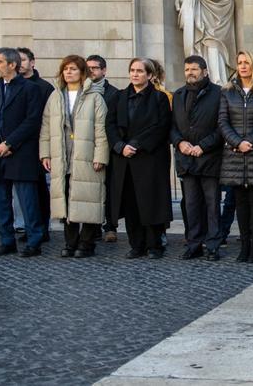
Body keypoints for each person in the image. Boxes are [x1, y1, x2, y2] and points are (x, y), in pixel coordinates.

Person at [0, 48, 49, 257]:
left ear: (12, 65)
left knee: (27, 200)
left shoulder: (30, 89)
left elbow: (32, 120)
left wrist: (9, 144)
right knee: (1, 200)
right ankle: (6, 240)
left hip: (20, 152)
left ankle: (34, 240)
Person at [39, 55, 109, 258]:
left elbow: (101, 130)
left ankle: (86, 243)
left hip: (86, 155)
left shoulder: (94, 97)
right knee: (66, 199)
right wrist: (45, 153)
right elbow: (46, 128)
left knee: (87, 198)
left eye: (73, 69)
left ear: (82, 73)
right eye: (65, 69)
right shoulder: (55, 96)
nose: (68, 72)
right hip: (62, 155)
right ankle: (70, 242)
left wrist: (100, 156)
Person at [106, 58, 173, 259]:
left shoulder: (160, 98)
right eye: (132, 70)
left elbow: (161, 127)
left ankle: (154, 245)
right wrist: (120, 145)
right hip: (124, 159)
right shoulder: (118, 97)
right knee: (131, 203)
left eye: (140, 71)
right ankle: (136, 245)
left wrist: (136, 144)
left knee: (151, 202)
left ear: (150, 75)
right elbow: (110, 125)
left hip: (149, 159)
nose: (135, 74)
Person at [218, 50, 253, 263]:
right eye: (239, 62)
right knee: (239, 201)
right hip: (234, 153)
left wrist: (251, 142)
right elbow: (222, 121)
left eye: (246, 62)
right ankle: (245, 245)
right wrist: (237, 142)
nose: (242, 66)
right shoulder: (227, 91)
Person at [170, 55, 225, 261]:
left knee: (212, 205)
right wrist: (180, 143)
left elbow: (222, 126)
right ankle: (194, 244)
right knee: (191, 205)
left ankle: (213, 245)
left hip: (210, 158)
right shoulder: (178, 94)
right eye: (187, 70)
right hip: (186, 159)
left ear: (205, 71)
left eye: (194, 69)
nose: (190, 73)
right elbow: (172, 126)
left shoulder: (219, 94)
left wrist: (203, 145)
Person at [87, 54, 121, 243]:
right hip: (86, 148)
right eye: (88, 67)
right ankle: (93, 226)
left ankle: (110, 226)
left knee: (109, 190)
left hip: (108, 148)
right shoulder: (80, 92)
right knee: (91, 190)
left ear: (104, 70)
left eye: (95, 67)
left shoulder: (114, 93)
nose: (91, 71)